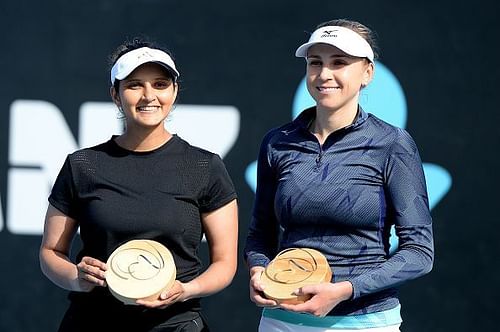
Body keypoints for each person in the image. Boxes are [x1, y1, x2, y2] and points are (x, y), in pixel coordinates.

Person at [244, 19, 434, 331]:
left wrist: (344, 290)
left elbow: (419, 253)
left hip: (366, 321)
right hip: (283, 320)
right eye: (315, 63)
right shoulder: (277, 142)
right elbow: (260, 235)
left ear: (367, 73)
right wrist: (259, 270)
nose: (324, 74)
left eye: (340, 63)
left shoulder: (393, 145)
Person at [39, 37, 238, 332]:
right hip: (92, 321)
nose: (148, 96)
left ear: (174, 92)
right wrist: (74, 277)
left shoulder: (203, 166)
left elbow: (224, 263)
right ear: (116, 95)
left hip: (176, 324)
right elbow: (50, 252)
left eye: (160, 84)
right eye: (134, 85)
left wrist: (188, 289)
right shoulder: (83, 165)